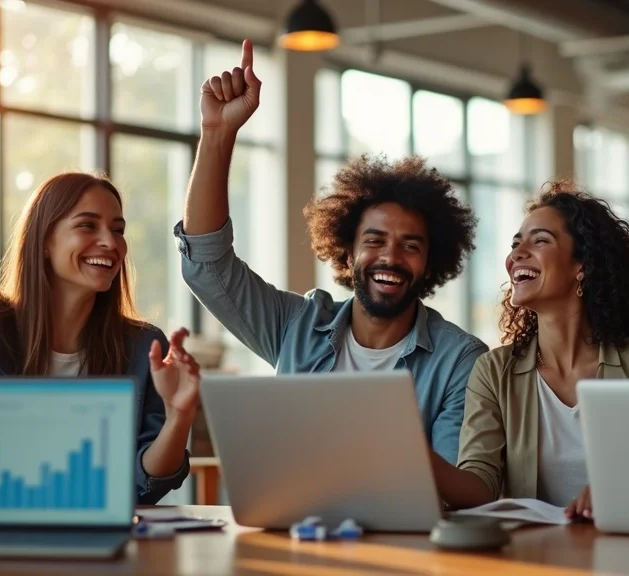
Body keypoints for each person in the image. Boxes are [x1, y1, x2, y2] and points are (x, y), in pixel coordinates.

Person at [174, 40, 488, 464]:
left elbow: (455, 485)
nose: (390, 257)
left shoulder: (459, 360)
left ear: (431, 260)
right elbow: (206, 265)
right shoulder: (295, 328)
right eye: (374, 241)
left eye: (410, 245)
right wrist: (217, 134)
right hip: (293, 526)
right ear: (347, 250)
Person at [0, 172, 199, 504]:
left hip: (85, 538)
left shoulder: (144, 347)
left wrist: (179, 417)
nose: (110, 241)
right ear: (45, 241)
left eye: (118, 230)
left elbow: (145, 483)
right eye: (88, 225)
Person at [429, 183, 629, 519]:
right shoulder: (494, 371)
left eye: (539, 240)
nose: (516, 255)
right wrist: (421, 457)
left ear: (581, 265)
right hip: (533, 555)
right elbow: (480, 485)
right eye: (515, 244)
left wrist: (615, 487)